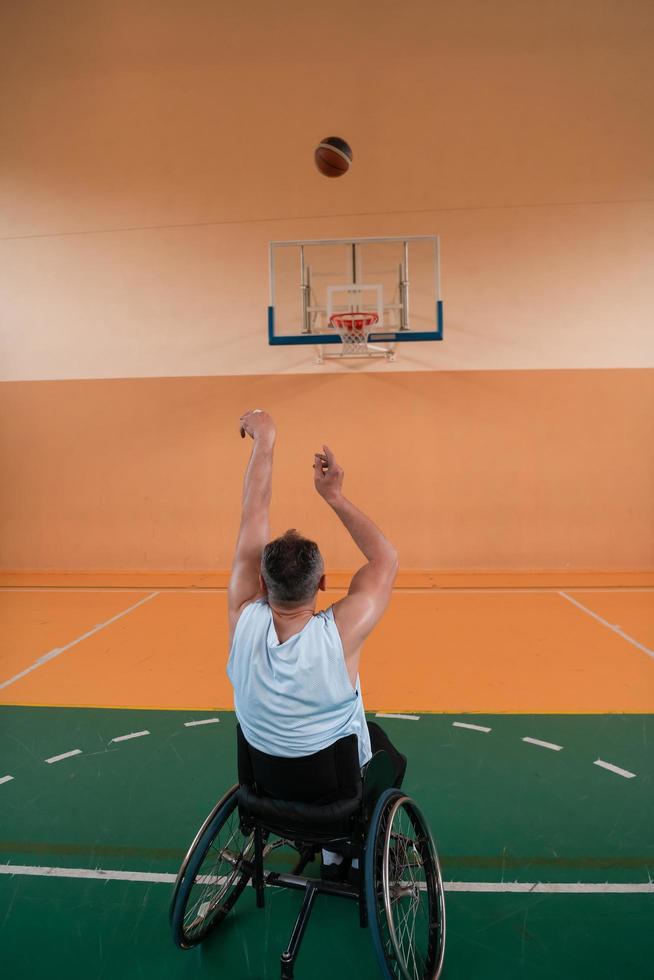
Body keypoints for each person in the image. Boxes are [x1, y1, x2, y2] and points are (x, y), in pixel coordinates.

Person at [227, 409, 406, 877]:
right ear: (323, 582)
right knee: (391, 757)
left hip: (262, 788)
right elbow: (386, 559)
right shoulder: (341, 633)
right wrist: (333, 495)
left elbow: (253, 515)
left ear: (261, 583)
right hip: (332, 796)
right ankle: (339, 851)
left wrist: (265, 441)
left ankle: (326, 849)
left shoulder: (242, 616)